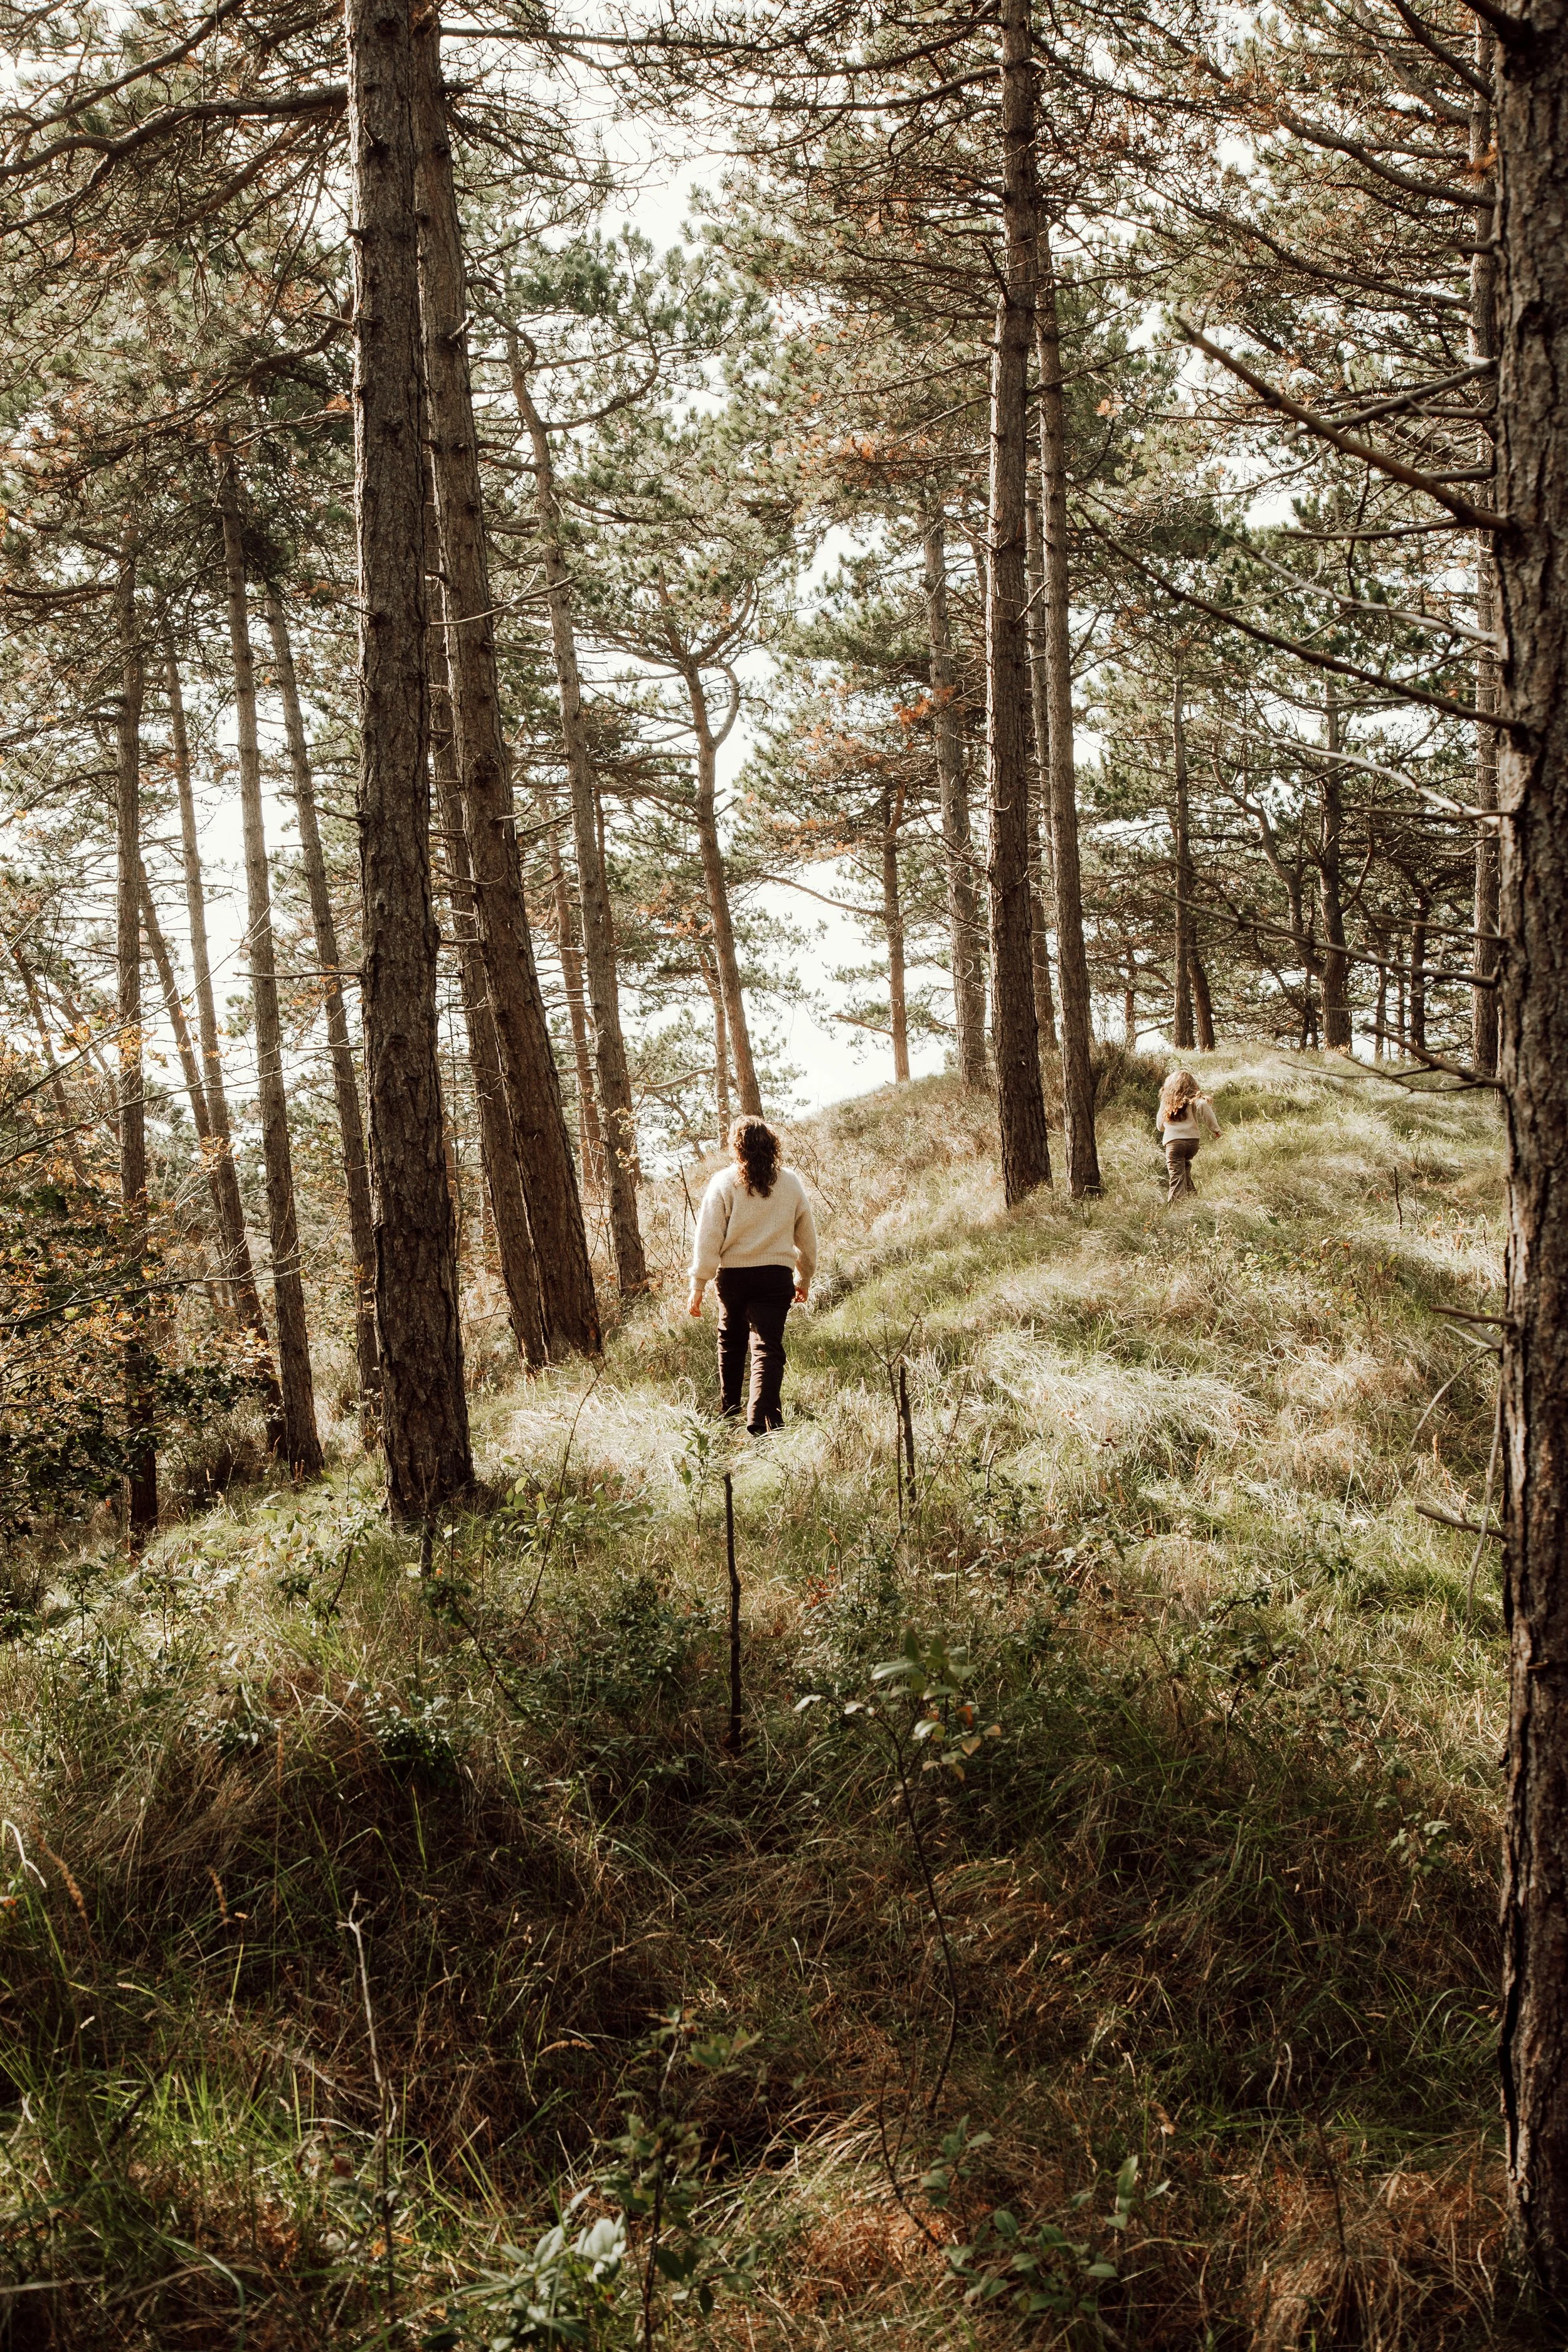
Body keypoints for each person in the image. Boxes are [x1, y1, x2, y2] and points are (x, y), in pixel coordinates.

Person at [688, 1118, 817, 1434]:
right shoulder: (790, 1182)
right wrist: (805, 1276)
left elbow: (708, 1237)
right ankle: (762, 1421)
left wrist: (698, 1285)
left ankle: (729, 1411)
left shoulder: (723, 1182)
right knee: (767, 1347)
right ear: (771, 1145)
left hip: (733, 1277)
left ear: (736, 1147)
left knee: (730, 1342)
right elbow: (807, 1236)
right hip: (775, 1276)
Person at [1156, 1068, 1221, 1201]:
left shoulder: (1167, 1101)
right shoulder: (1194, 1099)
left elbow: (1160, 1127)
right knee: (1184, 1170)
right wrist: (1215, 1129)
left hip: (1174, 1143)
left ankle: (1176, 1207)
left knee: (1176, 1176)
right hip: (1193, 1142)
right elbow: (1203, 1105)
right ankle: (1193, 1200)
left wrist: (1167, 1125)